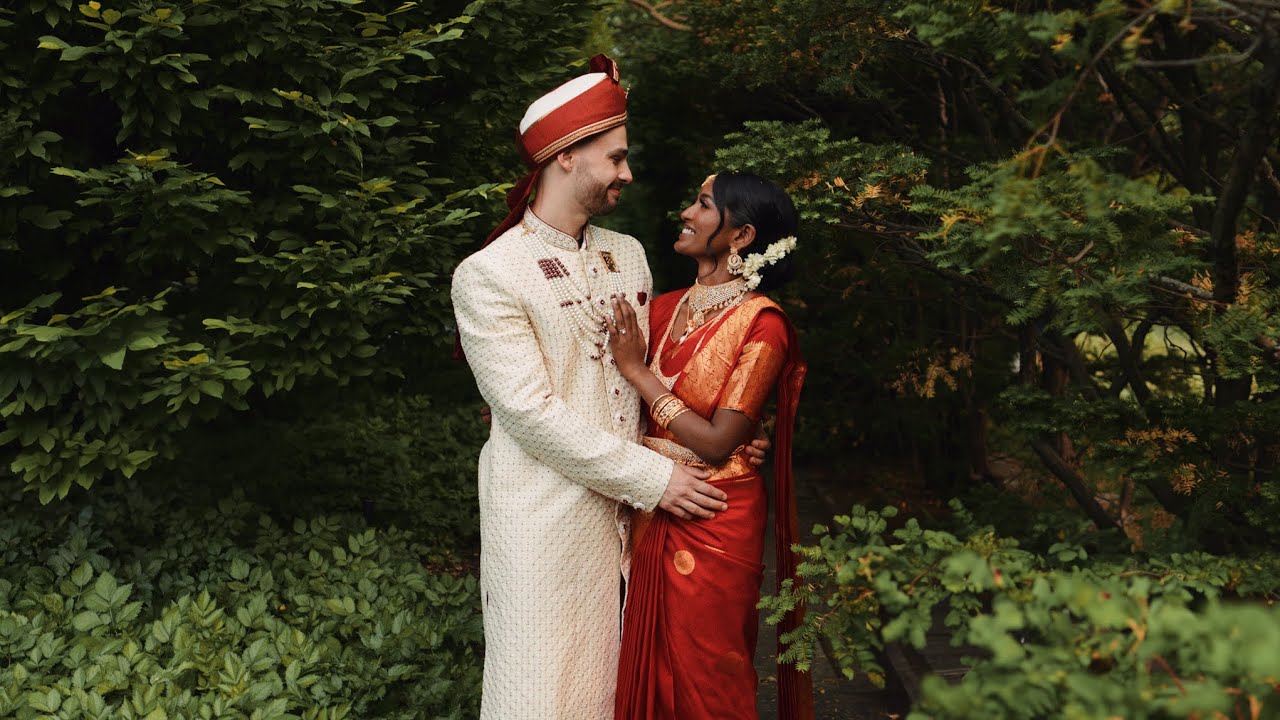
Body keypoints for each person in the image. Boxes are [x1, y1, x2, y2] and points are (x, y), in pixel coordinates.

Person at [451, 57, 765, 720]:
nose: (627, 172)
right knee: (538, 695)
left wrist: (727, 443)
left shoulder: (628, 255)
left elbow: (661, 375)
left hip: (638, 532)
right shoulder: (489, 276)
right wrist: (658, 479)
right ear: (565, 156)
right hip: (543, 525)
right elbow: (531, 415)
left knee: (621, 697)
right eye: (615, 157)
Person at [607, 172, 813, 720]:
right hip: (653, 499)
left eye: (702, 204)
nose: (687, 213)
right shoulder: (662, 308)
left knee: (708, 672)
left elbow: (720, 443)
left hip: (717, 510)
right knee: (646, 657)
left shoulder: (763, 324)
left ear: (740, 235)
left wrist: (637, 371)